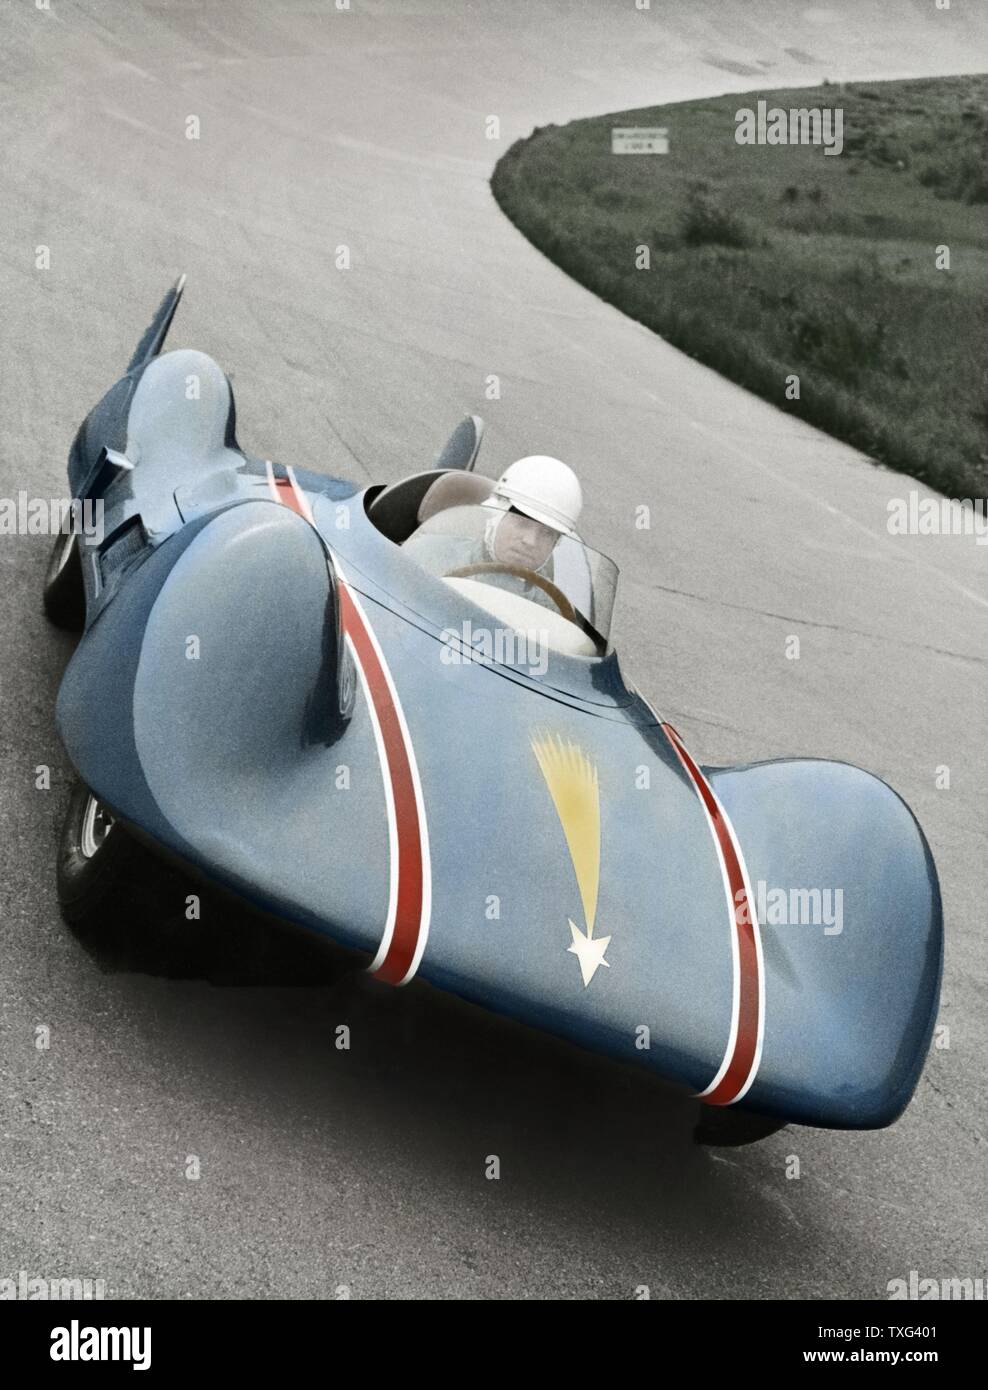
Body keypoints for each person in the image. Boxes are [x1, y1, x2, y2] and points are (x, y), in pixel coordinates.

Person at [403, 456, 584, 613]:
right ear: (495, 516)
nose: (531, 541)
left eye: (547, 533)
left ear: (556, 543)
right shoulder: (428, 553)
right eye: (522, 523)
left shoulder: (552, 608)